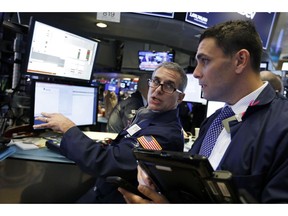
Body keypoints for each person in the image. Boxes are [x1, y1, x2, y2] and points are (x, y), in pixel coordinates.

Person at [119, 20, 288, 203]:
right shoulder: (215, 120)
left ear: (240, 61)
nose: (197, 73)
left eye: (204, 61)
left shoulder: (282, 126)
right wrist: (158, 180)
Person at [33, 61, 187, 203]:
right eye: (155, 81)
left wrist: (68, 128)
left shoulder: (164, 135)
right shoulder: (147, 116)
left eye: (168, 86)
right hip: (104, 191)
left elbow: (106, 162)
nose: (158, 90)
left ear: (180, 97)